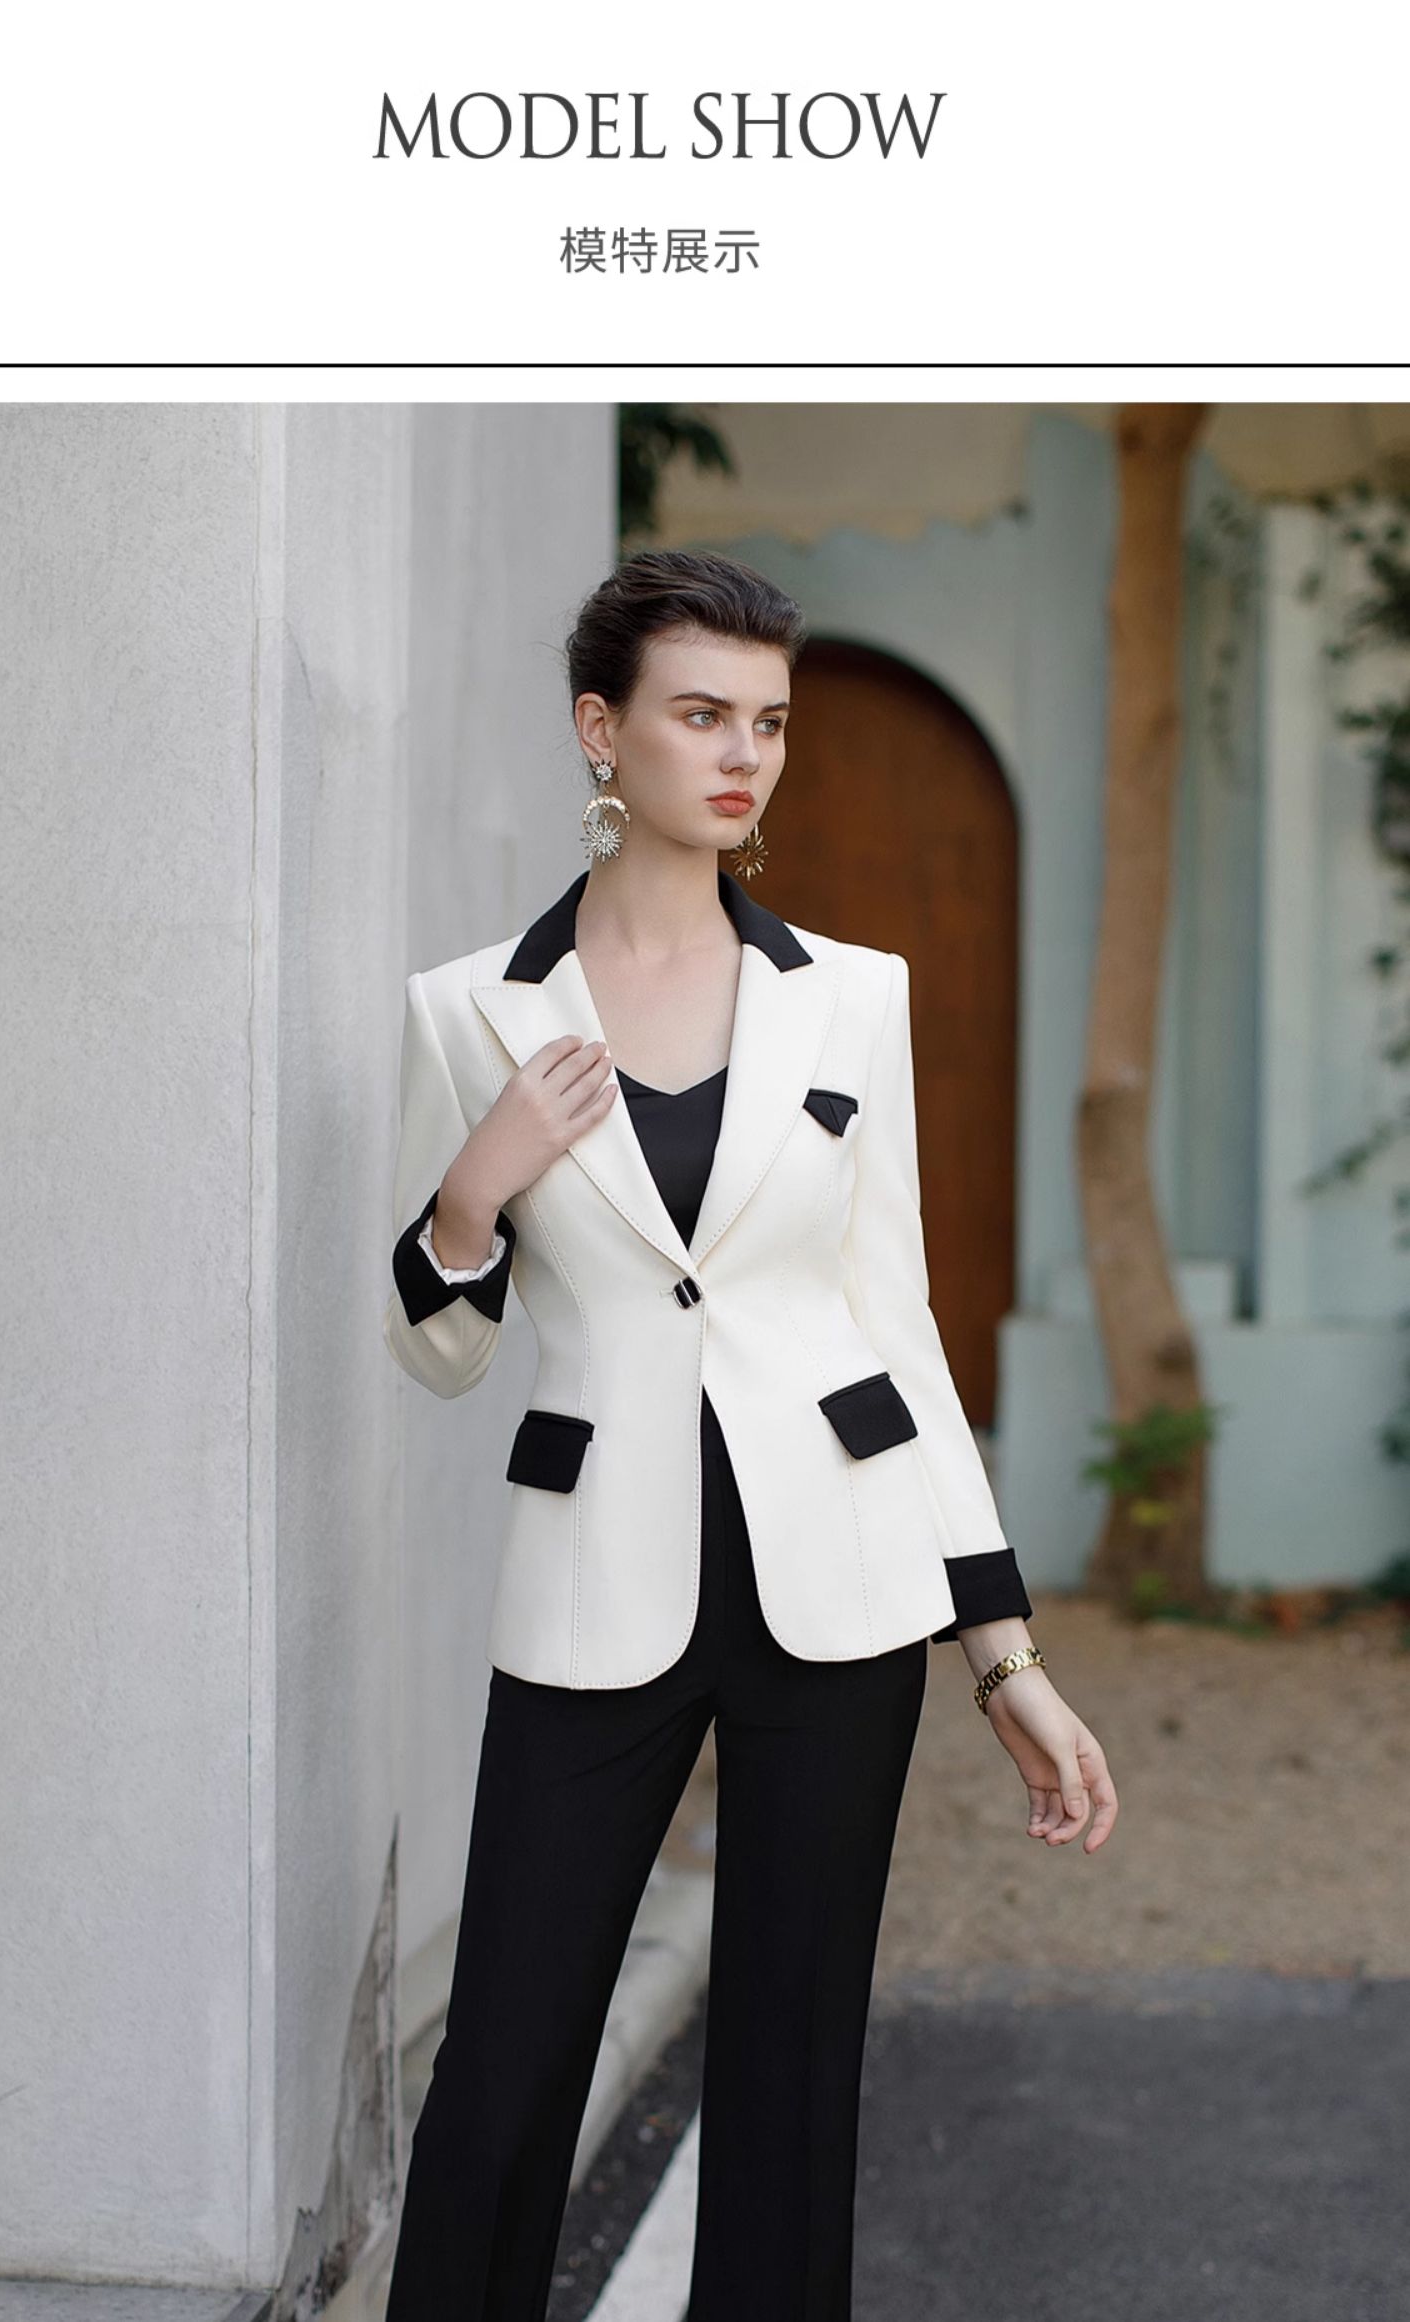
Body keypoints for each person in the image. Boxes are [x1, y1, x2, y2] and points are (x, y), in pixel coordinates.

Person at [381, 548, 1118, 2321]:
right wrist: (474, 1191)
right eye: (702, 713)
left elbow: (898, 1330)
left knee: (791, 2076)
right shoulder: (473, 1008)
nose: (743, 756)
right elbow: (439, 1353)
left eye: (769, 722)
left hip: (836, 1588)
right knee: (503, 2066)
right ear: (601, 727)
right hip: (593, 1581)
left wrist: (1003, 1653)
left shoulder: (853, 994)